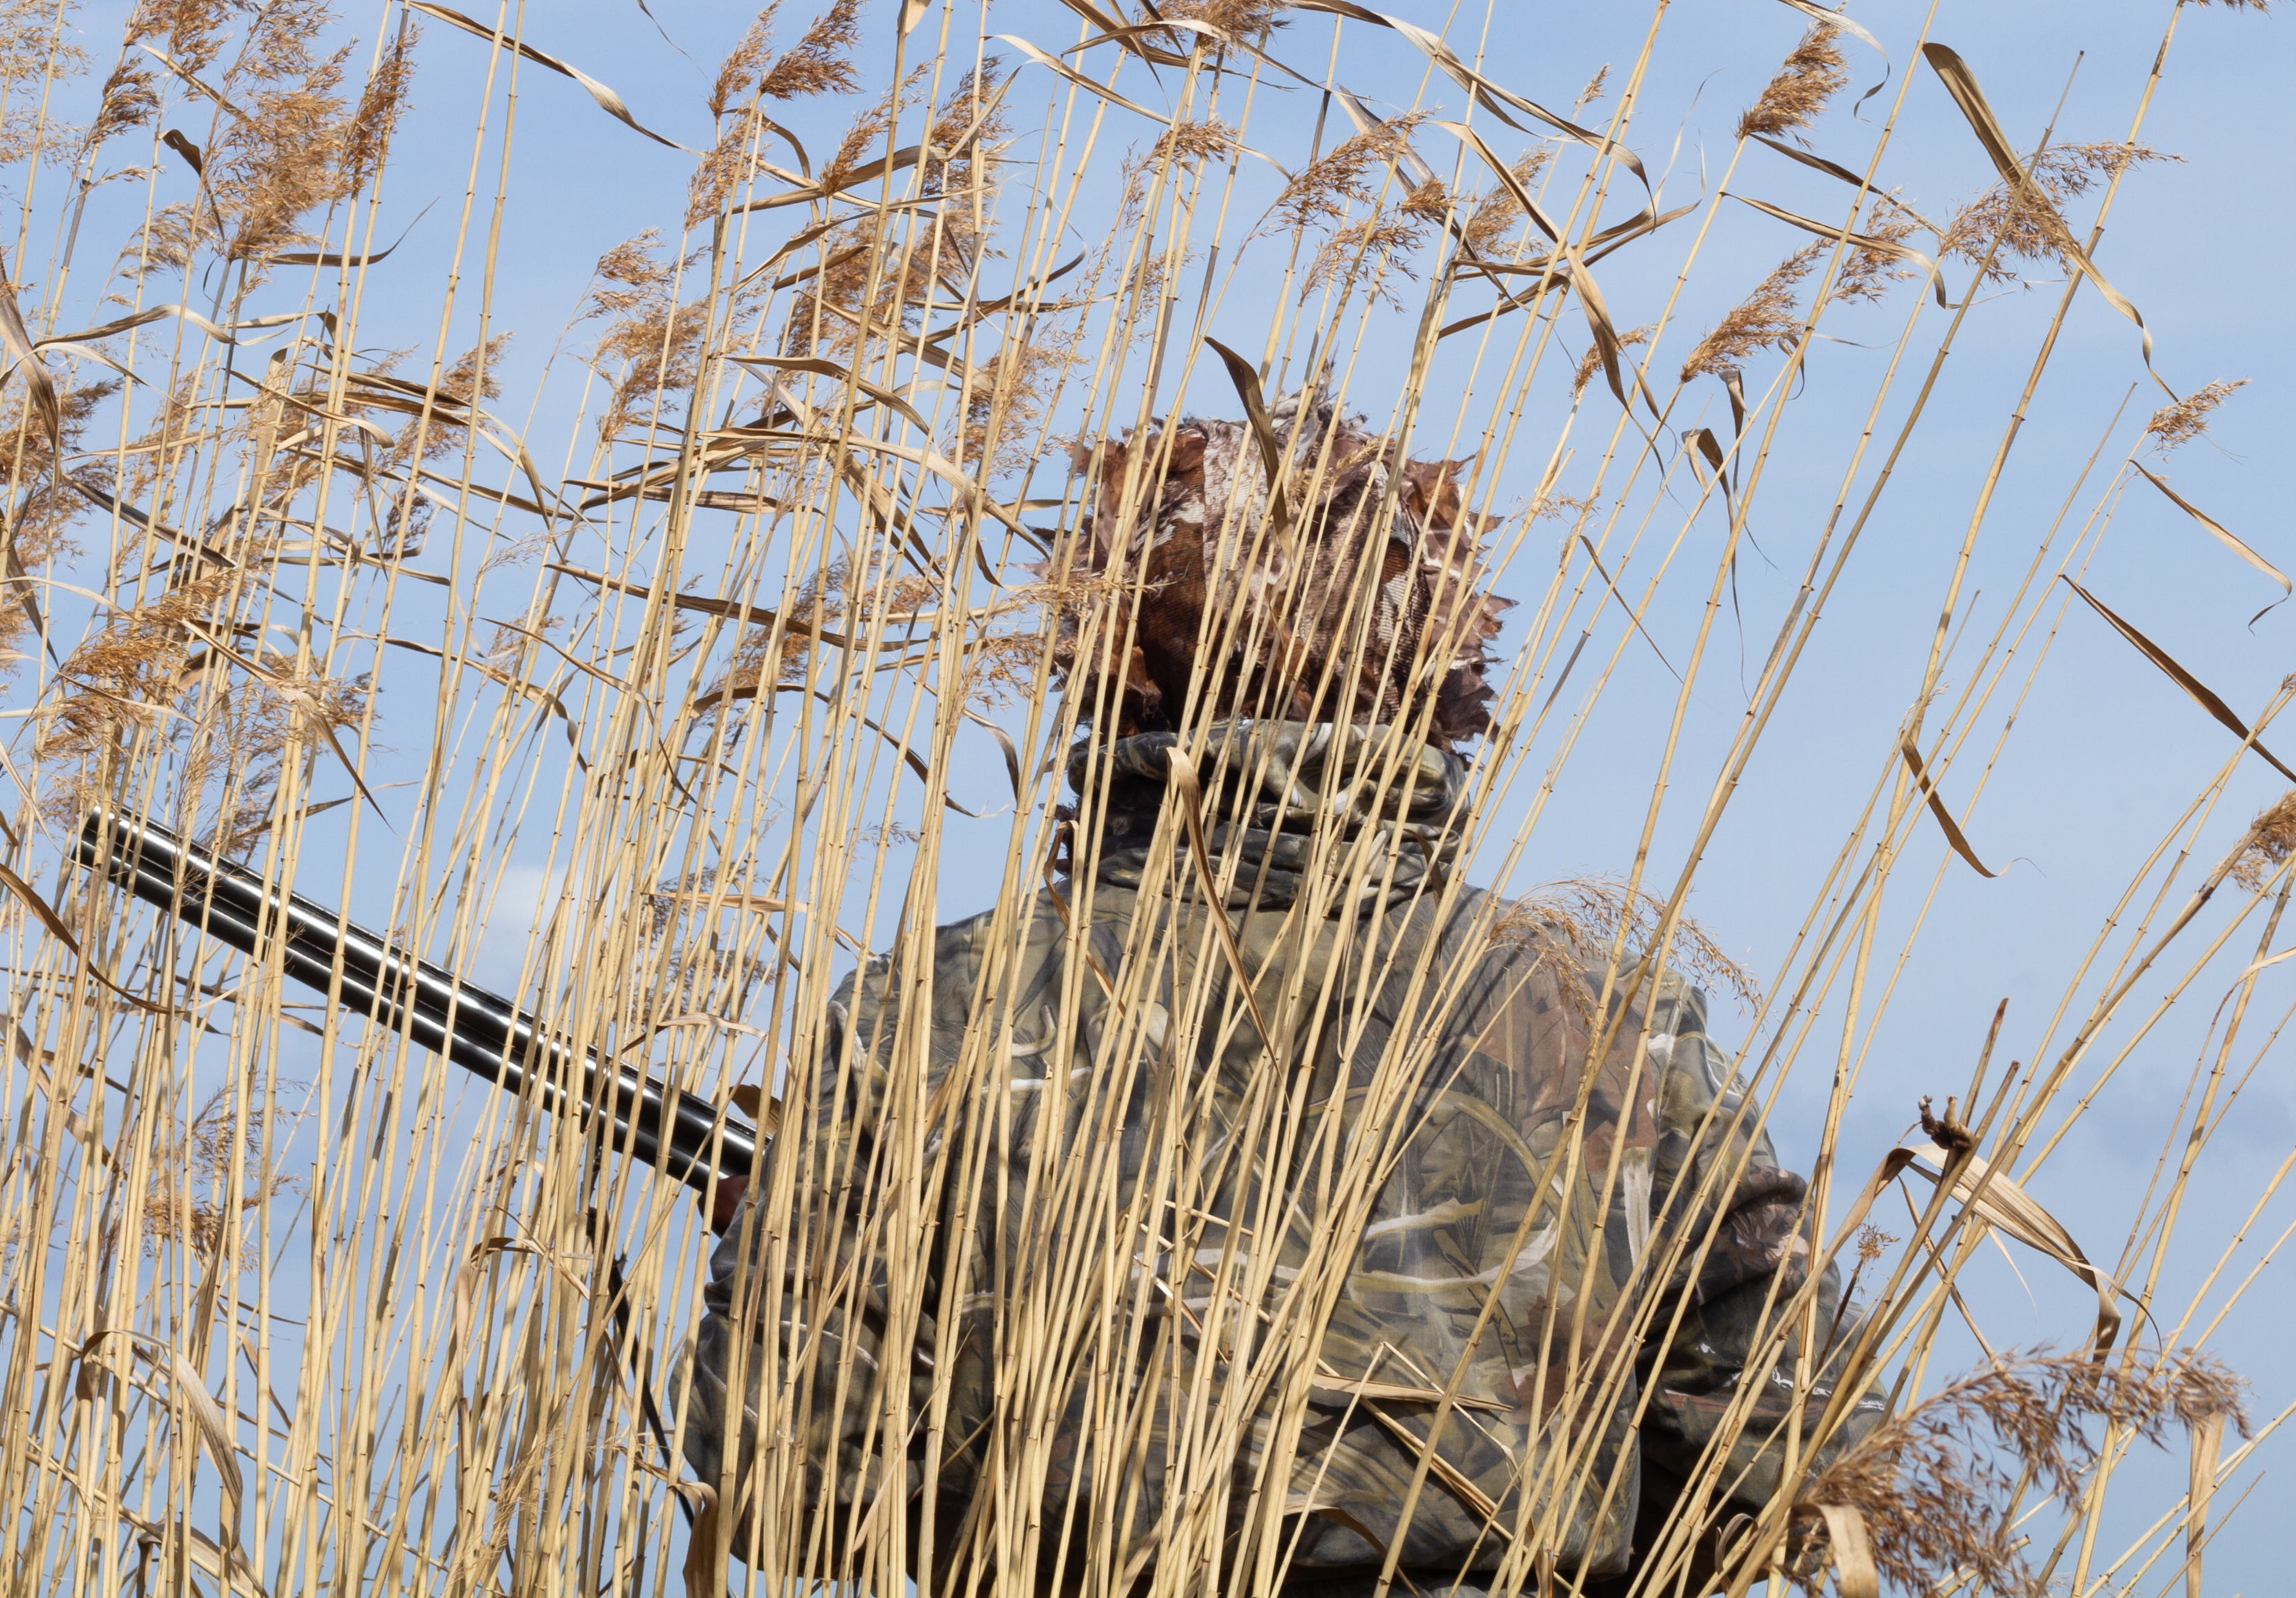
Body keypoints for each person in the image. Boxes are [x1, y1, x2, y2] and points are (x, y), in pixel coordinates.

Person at [678, 401, 1878, 1597]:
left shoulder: (937, 1008)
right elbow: (1785, 1436)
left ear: (1108, 647)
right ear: (1438, 657)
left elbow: (776, 1468)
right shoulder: (1598, 1012)